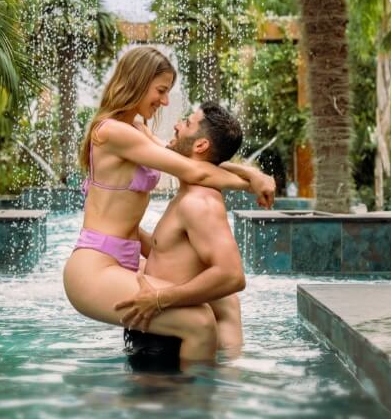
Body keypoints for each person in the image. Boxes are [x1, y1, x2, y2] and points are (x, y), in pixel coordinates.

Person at [63, 46, 275, 364]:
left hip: (126, 258)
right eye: (161, 91)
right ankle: (193, 392)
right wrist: (251, 183)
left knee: (224, 298)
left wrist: (252, 173)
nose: (164, 102)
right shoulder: (111, 132)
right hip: (94, 267)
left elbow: (188, 158)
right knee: (199, 322)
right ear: (137, 82)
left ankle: (228, 371)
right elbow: (193, 170)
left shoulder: (136, 130)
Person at [116, 102, 247, 367]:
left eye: (186, 123)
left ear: (200, 145)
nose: (176, 125)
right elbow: (169, 253)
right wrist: (121, 226)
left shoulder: (199, 202)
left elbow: (232, 275)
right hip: (161, 329)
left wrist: (159, 299)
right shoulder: (186, 195)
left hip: (172, 341)